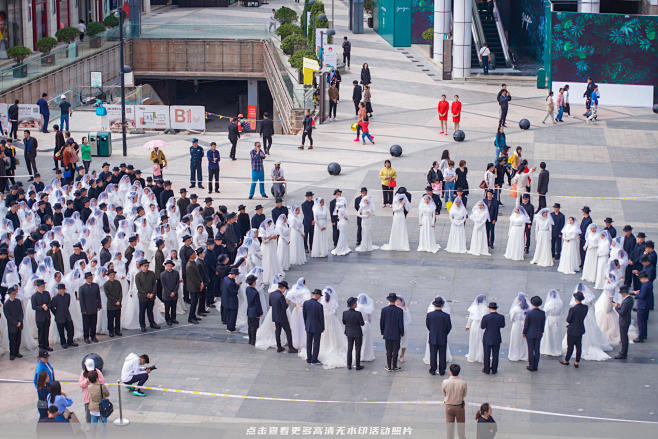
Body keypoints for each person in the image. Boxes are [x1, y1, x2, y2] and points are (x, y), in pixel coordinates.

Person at [560, 291, 587, 368]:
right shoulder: (585, 308)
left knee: (570, 346)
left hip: (572, 329)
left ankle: (566, 360)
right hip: (580, 328)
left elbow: (568, 320)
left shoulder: (573, 309)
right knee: (579, 346)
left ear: (575, 299)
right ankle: (577, 362)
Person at [426, 297, 452, 376]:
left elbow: (428, 326)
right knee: (442, 355)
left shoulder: (430, 315)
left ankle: (433, 369)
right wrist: (444, 333)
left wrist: (433, 332)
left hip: (433, 337)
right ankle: (442, 370)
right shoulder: (446, 316)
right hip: (442, 337)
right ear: (442, 305)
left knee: (433, 354)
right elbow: (449, 327)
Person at [270, 280, 297, 353]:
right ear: (283, 288)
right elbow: (284, 307)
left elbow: (270, 304)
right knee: (288, 331)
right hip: (282, 317)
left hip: (275, 316)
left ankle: (279, 347)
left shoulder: (272, 294)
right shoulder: (281, 296)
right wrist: (287, 303)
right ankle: (291, 347)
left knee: (277, 331)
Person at [380, 293, 404, 371]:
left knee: (388, 350)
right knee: (395, 350)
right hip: (396, 333)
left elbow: (382, 322)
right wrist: (402, 332)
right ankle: (394, 366)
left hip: (387, 333)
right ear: (395, 300)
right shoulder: (400, 310)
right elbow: (401, 323)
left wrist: (382, 331)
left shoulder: (384, 310)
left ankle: (389, 366)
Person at [442, 364, 467, 439]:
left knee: (449, 430)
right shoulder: (463, 383)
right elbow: (464, 394)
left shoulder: (445, 382)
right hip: (459, 407)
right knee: (461, 429)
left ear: (450, 372)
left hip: (449, 406)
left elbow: (444, 393)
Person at [135, 260, 160, 332]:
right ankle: (142, 325)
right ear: (141, 267)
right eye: (144, 266)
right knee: (142, 311)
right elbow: (139, 288)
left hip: (151, 296)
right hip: (142, 297)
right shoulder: (138, 276)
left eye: (147, 266)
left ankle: (152, 323)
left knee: (150, 310)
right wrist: (146, 294)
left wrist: (153, 293)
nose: (146, 267)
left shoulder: (152, 274)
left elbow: (154, 285)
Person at [79, 358, 105, 423]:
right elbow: (81, 384)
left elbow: (102, 382)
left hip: (97, 396)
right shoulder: (83, 373)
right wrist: (87, 381)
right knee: (88, 413)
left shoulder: (97, 372)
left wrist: (95, 380)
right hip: (88, 397)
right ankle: (89, 424)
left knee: (99, 411)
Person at [481, 302, 505, 374]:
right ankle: (494, 369)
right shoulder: (501, 317)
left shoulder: (485, 317)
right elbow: (502, 325)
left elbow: (482, 327)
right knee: (495, 355)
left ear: (489, 308)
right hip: (496, 337)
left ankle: (486, 369)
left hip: (487, 337)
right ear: (496, 308)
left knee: (486, 355)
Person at [50, 283, 76, 348]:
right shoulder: (55, 298)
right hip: (59, 316)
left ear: (64, 289)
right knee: (61, 331)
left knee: (71, 329)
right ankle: (63, 343)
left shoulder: (67, 296)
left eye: (62, 289)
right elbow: (52, 307)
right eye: (59, 289)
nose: (61, 291)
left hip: (67, 315)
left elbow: (68, 304)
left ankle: (70, 341)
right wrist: (56, 313)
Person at [523, 296, 546, 371]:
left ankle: (531, 365)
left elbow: (526, 325)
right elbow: (543, 324)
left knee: (530, 349)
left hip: (530, 333)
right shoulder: (542, 313)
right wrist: (542, 331)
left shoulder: (529, 313)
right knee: (537, 349)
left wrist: (524, 332)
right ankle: (536, 365)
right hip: (538, 333)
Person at [303, 289, 325, 364]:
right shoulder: (319, 306)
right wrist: (322, 327)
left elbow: (304, 315)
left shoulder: (306, 303)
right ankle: (314, 359)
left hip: (308, 325)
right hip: (317, 327)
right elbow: (321, 318)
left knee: (308, 342)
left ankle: (309, 358)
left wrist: (306, 324)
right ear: (318, 295)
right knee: (316, 343)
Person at [342, 297, 364, 370]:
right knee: (358, 349)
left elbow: (344, 322)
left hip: (349, 333)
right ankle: (358, 365)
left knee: (349, 348)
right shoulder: (358, 314)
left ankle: (349, 365)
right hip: (358, 333)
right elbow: (362, 323)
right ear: (354, 304)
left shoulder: (345, 313)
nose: (357, 304)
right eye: (356, 303)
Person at [79, 272, 101, 343]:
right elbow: (81, 300)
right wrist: (83, 309)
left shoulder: (95, 286)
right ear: (85, 279)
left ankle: (93, 336)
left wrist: (99, 305)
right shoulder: (82, 288)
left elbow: (98, 296)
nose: (90, 279)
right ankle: (86, 337)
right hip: (86, 309)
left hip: (94, 308)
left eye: (91, 278)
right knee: (86, 324)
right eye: (88, 278)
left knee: (93, 323)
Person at [31, 279, 52, 351]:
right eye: (42, 286)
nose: (43, 287)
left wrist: (47, 306)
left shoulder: (47, 293)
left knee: (46, 331)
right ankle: (41, 346)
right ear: (38, 287)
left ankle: (46, 345)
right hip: (40, 317)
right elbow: (34, 307)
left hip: (47, 316)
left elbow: (50, 303)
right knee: (41, 332)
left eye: (44, 286)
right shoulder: (34, 296)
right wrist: (41, 307)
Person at [87, 370, 109, 437]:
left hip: (93, 409)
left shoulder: (89, 387)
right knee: (103, 427)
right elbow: (107, 394)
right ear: (97, 378)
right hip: (102, 408)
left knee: (93, 427)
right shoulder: (101, 386)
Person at [4, 285, 23, 360]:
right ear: (9, 294)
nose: (14, 295)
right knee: (12, 340)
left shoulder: (18, 301)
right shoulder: (7, 304)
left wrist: (20, 321)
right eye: (12, 294)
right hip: (12, 325)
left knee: (18, 339)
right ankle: (12, 353)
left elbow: (21, 312)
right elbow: (8, 316)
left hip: (19, 323)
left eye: (14, 293)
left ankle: (17, 352)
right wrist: (16, 323)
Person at [613, 286, 633, 359]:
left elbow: (621, 312)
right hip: (626, 319)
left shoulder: (627, 301)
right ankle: (623, 352)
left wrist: (616, 307)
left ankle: (623, 353)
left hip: (624, 321)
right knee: (624, 336)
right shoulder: (630, 299)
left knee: (623, 337)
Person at [633, 271, 652, 343]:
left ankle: (641, 337)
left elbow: (642, 296)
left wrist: (636, 294)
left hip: (642, 306)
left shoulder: (645, 285)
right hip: (646, 305)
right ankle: (644, 335)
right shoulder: (649, 284)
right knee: (644, 321)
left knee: (640, 322)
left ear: (643, 278)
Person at [246, 275, 263, 345]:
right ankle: (253, 341)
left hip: (249, 310)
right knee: (254, 327)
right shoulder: (255, 292)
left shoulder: (247, 289)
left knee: (250, 326)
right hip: (255, 312)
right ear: (253, 282)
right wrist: (260, 312)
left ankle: (250, 340)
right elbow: (258, 304)